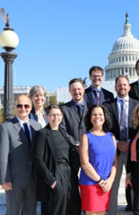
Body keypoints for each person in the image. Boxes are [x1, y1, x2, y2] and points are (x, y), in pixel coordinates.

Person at [0, 95, 42, 215]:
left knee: (31, 212)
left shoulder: (36, 127)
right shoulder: (5, 127)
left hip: (33, 180)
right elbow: (2, 156)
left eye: (26, 106)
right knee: (13, 212)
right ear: (14, 107)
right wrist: (4, 179)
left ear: (30, 107)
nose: (23, 108)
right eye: (19, 106)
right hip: (14, 181)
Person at [103, 75, 138, 214]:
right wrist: (117, 142)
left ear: (129, 87)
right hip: (114, 151)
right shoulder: (107, 106)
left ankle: (137, 211)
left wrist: (130, 143)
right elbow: (105, 128)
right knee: (113, 185)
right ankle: (112, 212)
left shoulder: (138, 104)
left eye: (124, 85)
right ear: (115, 87)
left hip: (133, 150)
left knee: (135, 184)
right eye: (119, 85)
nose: (122, 87)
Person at [32, 104, 71, 215]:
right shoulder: (42, 134)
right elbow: (37, 159)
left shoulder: (63, 132)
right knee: (53, 211)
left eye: (58, 115)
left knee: (64, 210)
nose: (56, 118)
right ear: (46, 116)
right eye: (52, 115)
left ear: (62, 116)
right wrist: (51, 180)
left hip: (66, 175)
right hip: (53, 175)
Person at [79, 104, 118, 215]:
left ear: (105, 117)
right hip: (91, 182)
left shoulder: (111, 136)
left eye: (100, 114)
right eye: (94, 114)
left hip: (107, 183)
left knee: (102, 213)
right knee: (92, 213)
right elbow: (84, 163)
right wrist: (100, 181)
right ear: (90, 117)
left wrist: (110, 180)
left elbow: (115, 162)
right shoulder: (86, 137)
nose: (97, 117)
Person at [60, 78, 88, 215]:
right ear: (70, 91)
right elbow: (62, 129)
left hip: (89, 153)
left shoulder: (93, 107)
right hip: (71, 153)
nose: (77, 92)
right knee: (71, 184)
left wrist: (85, 146)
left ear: (83, 90)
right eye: (73, 89)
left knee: (89, 182)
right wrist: (76, 144)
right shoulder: (64, 109)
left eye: (79, 89)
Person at [28, 85, 49, 215]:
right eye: (36, 95)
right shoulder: (28, 115)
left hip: (49, 160)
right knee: (31, 198)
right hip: (34, 160)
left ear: (45, 98)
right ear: (31, 98)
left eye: (41, 95)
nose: (39, 98)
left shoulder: (50, 113)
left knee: (47, 198)